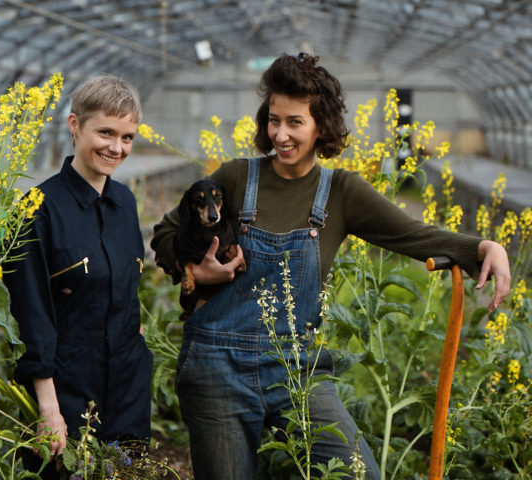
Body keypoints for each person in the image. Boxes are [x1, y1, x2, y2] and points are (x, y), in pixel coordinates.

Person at [150, 53, 511, 480]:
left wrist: (483, 246)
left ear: (322, 125)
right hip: (216, 366)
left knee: (360, 473)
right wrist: (196, 269)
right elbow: (165, 233)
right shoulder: (235, 178)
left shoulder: (340, 191)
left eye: (295, 122)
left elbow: (410, 233)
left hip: (296, 369)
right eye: (273, 119)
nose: (280, 134)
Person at [3, 74, 153, 479]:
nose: (116, 147)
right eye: (105, 132)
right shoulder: (37, 209)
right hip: (67, 392)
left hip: (127, 387)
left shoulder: (124, 202)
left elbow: (126, 287)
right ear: (75, 125)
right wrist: (48, 408)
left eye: (127, 137)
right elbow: (31, 312)